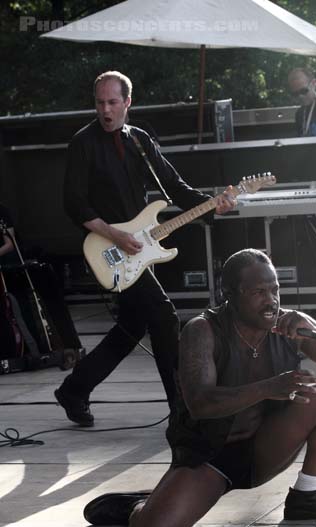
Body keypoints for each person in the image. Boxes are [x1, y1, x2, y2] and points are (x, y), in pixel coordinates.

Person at [83, 249, 316, 527]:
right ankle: (143, 504)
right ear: (229, 294)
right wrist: (270, 387)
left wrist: (314, 329)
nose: (271, 300)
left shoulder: (288, 324)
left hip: (264, 448)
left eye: (275, 290)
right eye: (258, 292)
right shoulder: (202, 330)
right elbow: (201, 404)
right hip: (209, 457)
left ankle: (307, 496)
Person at [55, 70, 237, 426]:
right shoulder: (83, 142)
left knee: (131, 328)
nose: (105, 110)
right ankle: (182, 409)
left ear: (127, 103)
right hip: (108, 248)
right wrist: (116, 236)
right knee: (164, 316)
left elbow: (175, 187)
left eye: (112, 102)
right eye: (99, 102)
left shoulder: (140, 140)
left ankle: (74, 389)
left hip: (139, 251)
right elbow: (74, 203)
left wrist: (213, 203)